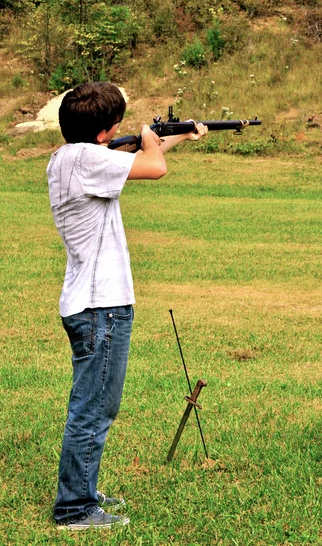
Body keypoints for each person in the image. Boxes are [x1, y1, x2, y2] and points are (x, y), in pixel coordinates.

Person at [46, 82, 207, 530]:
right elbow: (154, 167)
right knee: (95, 408)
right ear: (104, 132)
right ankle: (74, 509)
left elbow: (141, 156)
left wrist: (178, 135)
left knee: (94, 404)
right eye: (115, 126)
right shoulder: (90, 159)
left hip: (90, 302)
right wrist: (153, 140)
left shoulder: (68, 157)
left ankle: (83, 491)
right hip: (102, 305)